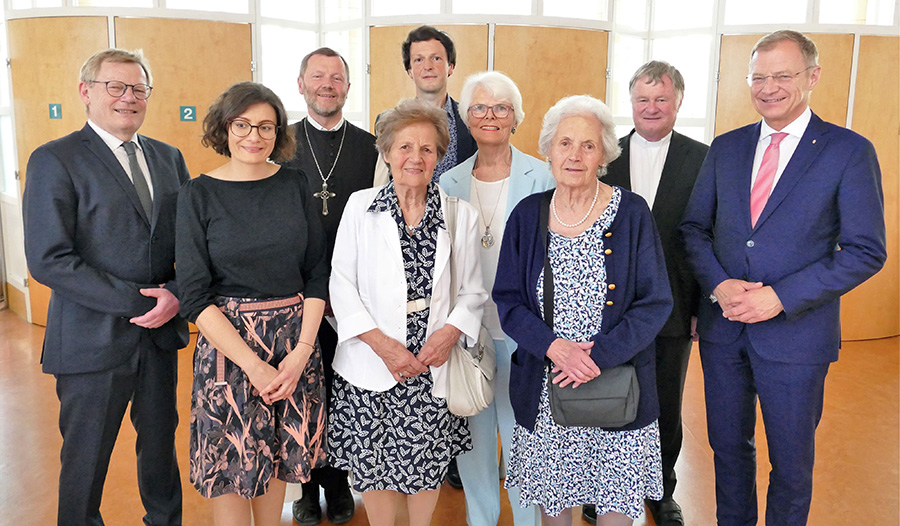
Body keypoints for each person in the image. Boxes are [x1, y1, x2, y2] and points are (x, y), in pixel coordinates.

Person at [679, 30, 886, 526]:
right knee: (728, 451)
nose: (768, 87)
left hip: (797, 337)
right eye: (759, 77)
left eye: (782, 76)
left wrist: (781, 297)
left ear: (812, 77)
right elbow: (693, 229)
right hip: (723, 330)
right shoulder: (726, 148)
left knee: (791, 464)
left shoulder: (848, 151)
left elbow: (865, 251)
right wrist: (718, 284)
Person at [22, 48, 188, 526]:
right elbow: (50, 259)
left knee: (160, 451)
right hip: (90, 341)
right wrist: (140, 302)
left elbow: (189, 242)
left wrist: (176, 291)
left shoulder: (168, 158)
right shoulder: (56, 159)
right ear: (86, 93)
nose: (127, 97)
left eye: (138, 88)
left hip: (159, 338)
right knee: (85, 461)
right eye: (115, 86)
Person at [493, 95, 673, 526]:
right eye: (564, 143)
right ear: (548, 150)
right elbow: (509, 301)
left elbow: (655, 302)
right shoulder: (526, 216)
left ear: (604, 154)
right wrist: (555, 348)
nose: (574, 154)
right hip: (547, 384)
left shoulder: (632, 213)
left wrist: (595, 357)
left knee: (615, 508)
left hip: (617, 381)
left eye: (588, 145)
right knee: (555, 509)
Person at [327, 98, 487, 526]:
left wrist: (448, 336)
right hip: (372, 359)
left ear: (439, 156)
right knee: (376, 469)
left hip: (433, 361)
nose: (415, 157)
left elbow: (473, 291)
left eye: (427, 149)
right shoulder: (361, 207)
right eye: (404, 147)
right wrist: (383, 346)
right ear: (387, 152)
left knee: (427, 466)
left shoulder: (460, 215)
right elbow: (340, 284)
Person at [176, 81, 329, 526]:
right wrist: (252, 365)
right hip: (229, 349)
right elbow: (195, 296)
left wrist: (300, 353)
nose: (254, 136)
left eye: (266, 126)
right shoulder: (196, 194)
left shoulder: (295, 184)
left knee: (279, 461)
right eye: (242, 124)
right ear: (224, 127)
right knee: (230, 466)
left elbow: (317, 273)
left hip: (293, 345)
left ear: (278, 131)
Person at [582, 61, 708, 526]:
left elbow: (708, 238)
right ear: (630, 103)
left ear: (678, 102)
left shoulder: (703, 158)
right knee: (607, 397)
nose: (651, 107)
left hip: (675, 306)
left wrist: (700, 309)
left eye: (661, 99)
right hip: (607, 313)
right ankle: (602, 486)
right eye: (642, 99)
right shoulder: (605, 157)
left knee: (664, 405)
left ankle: (660, 491)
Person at [441, 71, 554, 526]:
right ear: (467, 119)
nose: (491, 116)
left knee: (524, 439)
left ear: (516, 117)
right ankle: (481, 519)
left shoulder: (542, 175)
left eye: (501, 107)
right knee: (473, 441)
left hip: (524, 330)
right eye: (480, 108)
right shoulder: (447, 182)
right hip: (466, 332)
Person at [285, 46, 378, 526]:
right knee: (304, 390)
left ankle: (339, 485)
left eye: (336, 77)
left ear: (348, 86)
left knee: (342, 390)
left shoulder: (371, 147)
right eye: (317, 76)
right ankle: (305, 486)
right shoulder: (279, 143)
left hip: (353, 295)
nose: (327, 84)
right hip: (295, 290)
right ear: (300, 84)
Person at [375, 25, 477, 192]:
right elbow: (381, 182)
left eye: (436, 58)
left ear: (450, 67)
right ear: (410, 71)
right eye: (419, 60)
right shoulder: (388, 122)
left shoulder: (470, 119)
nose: (428, 66)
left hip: (457, 213)